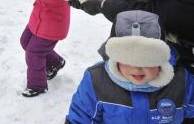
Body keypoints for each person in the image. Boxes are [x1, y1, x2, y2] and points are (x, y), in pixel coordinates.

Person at [66, 10, 194, 123]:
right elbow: (81, 117)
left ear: (160, 59)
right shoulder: (96, 81)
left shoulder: (181, 81)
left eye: (146, 60)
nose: (137, 68)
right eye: (128, 59)